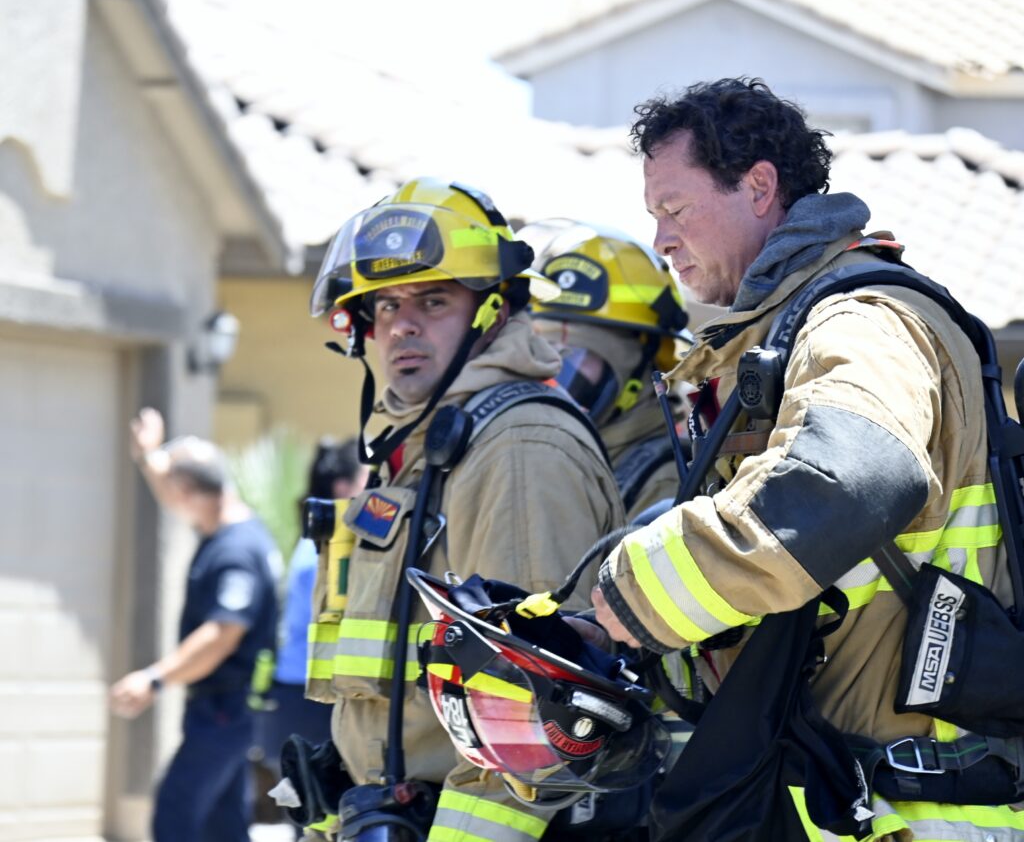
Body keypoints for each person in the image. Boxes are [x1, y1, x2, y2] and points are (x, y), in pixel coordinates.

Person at [591, 78, 1024, 839]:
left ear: (759, 187)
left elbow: (853, 479)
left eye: (676, 209)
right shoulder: (790, 328)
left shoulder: (861, 318)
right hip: (851, 790)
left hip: (921, 807)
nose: (661, 240)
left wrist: (642, 589)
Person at [305, 177, 625, 841]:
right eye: (386, 305)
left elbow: (531, 720)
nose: (404, 324)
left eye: (434, 300)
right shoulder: (427, 443)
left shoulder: (518, 448)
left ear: (493, 311)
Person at [110, 408, 279, 842]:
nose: (169, 500)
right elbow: (177, 490)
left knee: (175, 814)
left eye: (174, 489)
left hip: (225, 708)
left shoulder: (235, 552)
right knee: (224, 826)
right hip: (228, 708)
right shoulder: (228, 525)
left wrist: (154, 678)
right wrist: (149, 457)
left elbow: (223, 634)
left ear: (188, 491)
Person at [523, 219, 691, 520]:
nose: (553, 371)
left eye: (574, 356)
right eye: (541, 350)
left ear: (639, 372)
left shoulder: (665, 485)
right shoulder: (549, 453)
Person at [261, 438, 368, 771]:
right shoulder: (325, 553)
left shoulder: (321, 543)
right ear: (343, 488)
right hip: (307, 698)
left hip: (302, 695)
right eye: (369, 480)